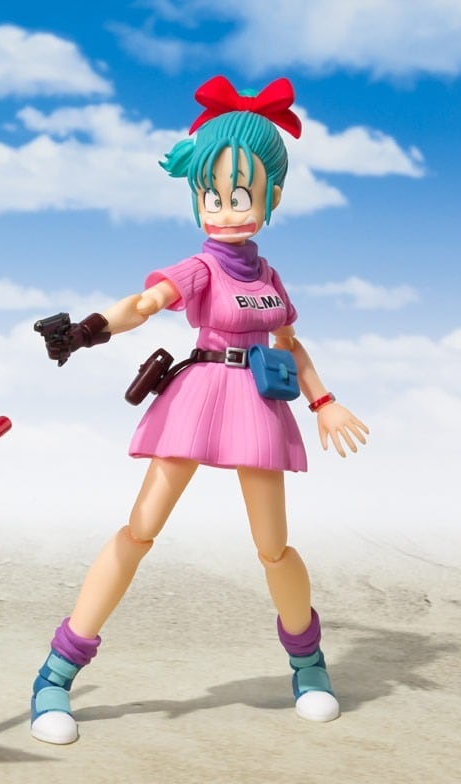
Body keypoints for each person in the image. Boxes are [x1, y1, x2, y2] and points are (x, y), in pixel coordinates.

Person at [29, 75, 369, 746]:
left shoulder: (268, 277)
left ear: (271, 196)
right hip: (200, 395)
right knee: (139, 530)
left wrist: (324, 401)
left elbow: (289, 342)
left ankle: (308, 664)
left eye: (240, 194)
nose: (225, 208)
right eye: (212, 194)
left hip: (257, 402)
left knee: (274, 546)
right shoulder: (200, 268)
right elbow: (144, 303)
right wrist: (88, 330)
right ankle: (57, 671)